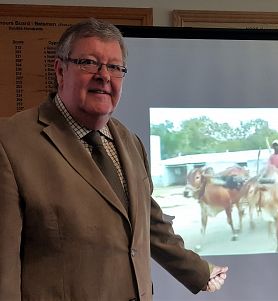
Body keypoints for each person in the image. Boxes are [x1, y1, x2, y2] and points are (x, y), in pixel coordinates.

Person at [0, 18, 227, 301]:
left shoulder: (129, 142)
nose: (103, 76)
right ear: (60, 70)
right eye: (88, 62)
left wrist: (198, 270)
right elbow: (3, 269)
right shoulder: (10, 142)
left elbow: (148, 224)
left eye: (114, 67)